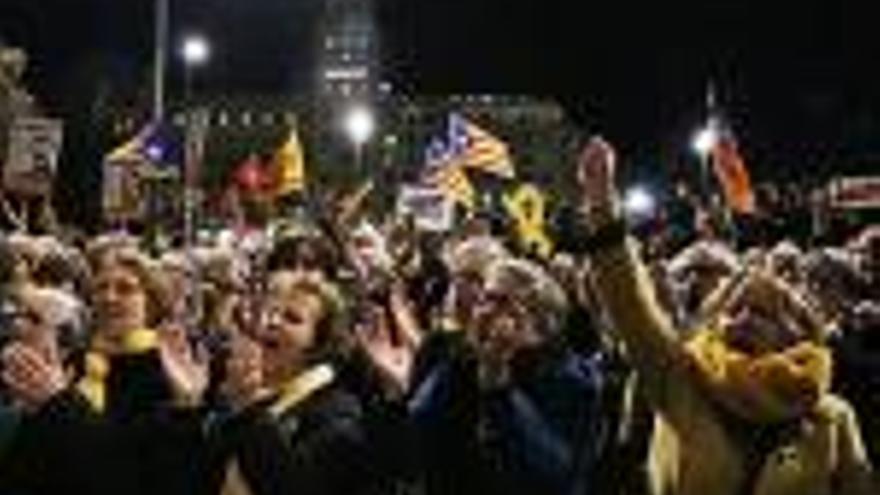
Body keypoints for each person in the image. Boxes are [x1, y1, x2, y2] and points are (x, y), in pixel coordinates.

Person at [576, 137, 874, 495]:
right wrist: (601, 205)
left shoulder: (832, 418)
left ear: (799, 336)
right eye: (734, 310)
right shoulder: (684, 380)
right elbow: (629, 306)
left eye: (764, 314)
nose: (743, 319)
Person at [360, 256, 605, 495]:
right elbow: (419, 436)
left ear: (538, 317)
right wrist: (462, 361)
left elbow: (556, 476)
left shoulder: (575, 377)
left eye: (501, 301)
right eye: (484, 299)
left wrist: (500, 388)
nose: (484, 310)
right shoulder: (462, 356)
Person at [1, 245, 210, 495]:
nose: (109, 297)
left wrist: (60, 405)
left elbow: (129, 474)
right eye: (101, 288)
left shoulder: (165, 373)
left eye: (125, 289)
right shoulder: (75, 363)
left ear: (151, 304)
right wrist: (35, 415)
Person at [207, 269, 384, 495]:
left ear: (318, 344)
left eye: (292, 318)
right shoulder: (233, 390)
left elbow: (294, 486)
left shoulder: (336, 412)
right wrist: (188, 404)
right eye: (269, 312)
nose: (272, 322)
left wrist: (249, 408)